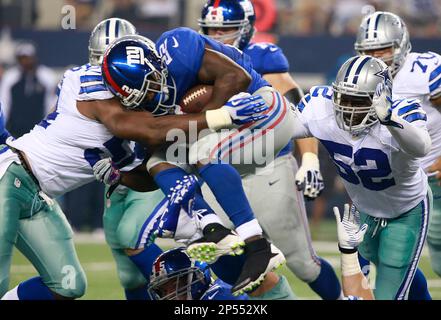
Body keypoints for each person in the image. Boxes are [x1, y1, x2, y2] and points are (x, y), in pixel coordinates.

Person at [0, 26, 261, 300]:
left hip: (40, 198)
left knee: (68, 286)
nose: (158, 89)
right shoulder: (90, 86)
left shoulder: (134, 114)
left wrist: (118, 177)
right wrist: (220, 117)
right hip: (11, 175)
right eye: (150, 86)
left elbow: (146, 176)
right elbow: (143, 128)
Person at [102, 29, 291, 295]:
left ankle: (259, 246)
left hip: (262, 110)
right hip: (232, 133)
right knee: (158, 160)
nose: (153, 97)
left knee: (202, 147)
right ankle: (212, 228)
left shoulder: (176, 48)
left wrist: (205, 120)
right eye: (142, 96)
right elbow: (150, 174)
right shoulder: (141, 110)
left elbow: (237, 77)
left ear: (156, 62)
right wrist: (119, 175)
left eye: (153, 83)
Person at [197, 0, 342, 300]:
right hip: (220, 174)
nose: (216, 35)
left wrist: (310, 158)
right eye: (211, 28)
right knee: (220, 256)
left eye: (225, 29)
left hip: (268, 170)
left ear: (246, 30)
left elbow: (295, 113)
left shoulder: (261, 57)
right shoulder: (194, 65)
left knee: (304, 264)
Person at [292, 55, 432, 300]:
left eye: (358, 100)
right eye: (343, 97)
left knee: (392, 283)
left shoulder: (402, 112)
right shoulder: (321, 106)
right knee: (379, 276)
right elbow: (285, 128)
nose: (348, 107)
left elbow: (421, 147)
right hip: (365, 209)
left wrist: (390, 120)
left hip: (406, 209)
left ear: (381, 98)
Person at [354, 12, 441, 287]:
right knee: (390, 260)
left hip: (432, 175)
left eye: (383, 48)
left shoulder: (425, 70)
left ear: (401, 45)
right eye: (368, 50)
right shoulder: (359, 76)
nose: (376, 56)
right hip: (388, 183)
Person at [0, 41, 57, 138]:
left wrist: (50, 127)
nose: (26, 61)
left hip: (38, 129)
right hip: (14, 128)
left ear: (34, 57)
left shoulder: (46, 76)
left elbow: (51, 104)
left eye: (28, 58)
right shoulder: (10, 77)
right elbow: (5, 103)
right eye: (22, 58)